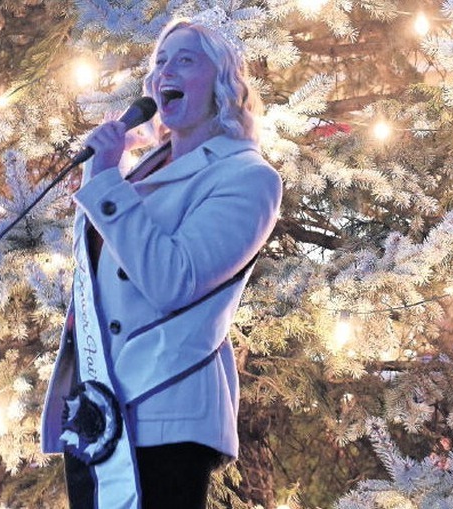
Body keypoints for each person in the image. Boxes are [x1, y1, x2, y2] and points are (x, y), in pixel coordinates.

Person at [40, 13, 282, 509]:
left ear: (221, 84)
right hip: (98, 409)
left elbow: (174, 280)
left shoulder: (248, 178)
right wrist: (106, 178)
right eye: (159, 63)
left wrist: (107, 181)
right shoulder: (138, 173)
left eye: (185, 60)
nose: (163, 73)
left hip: (166, 413)